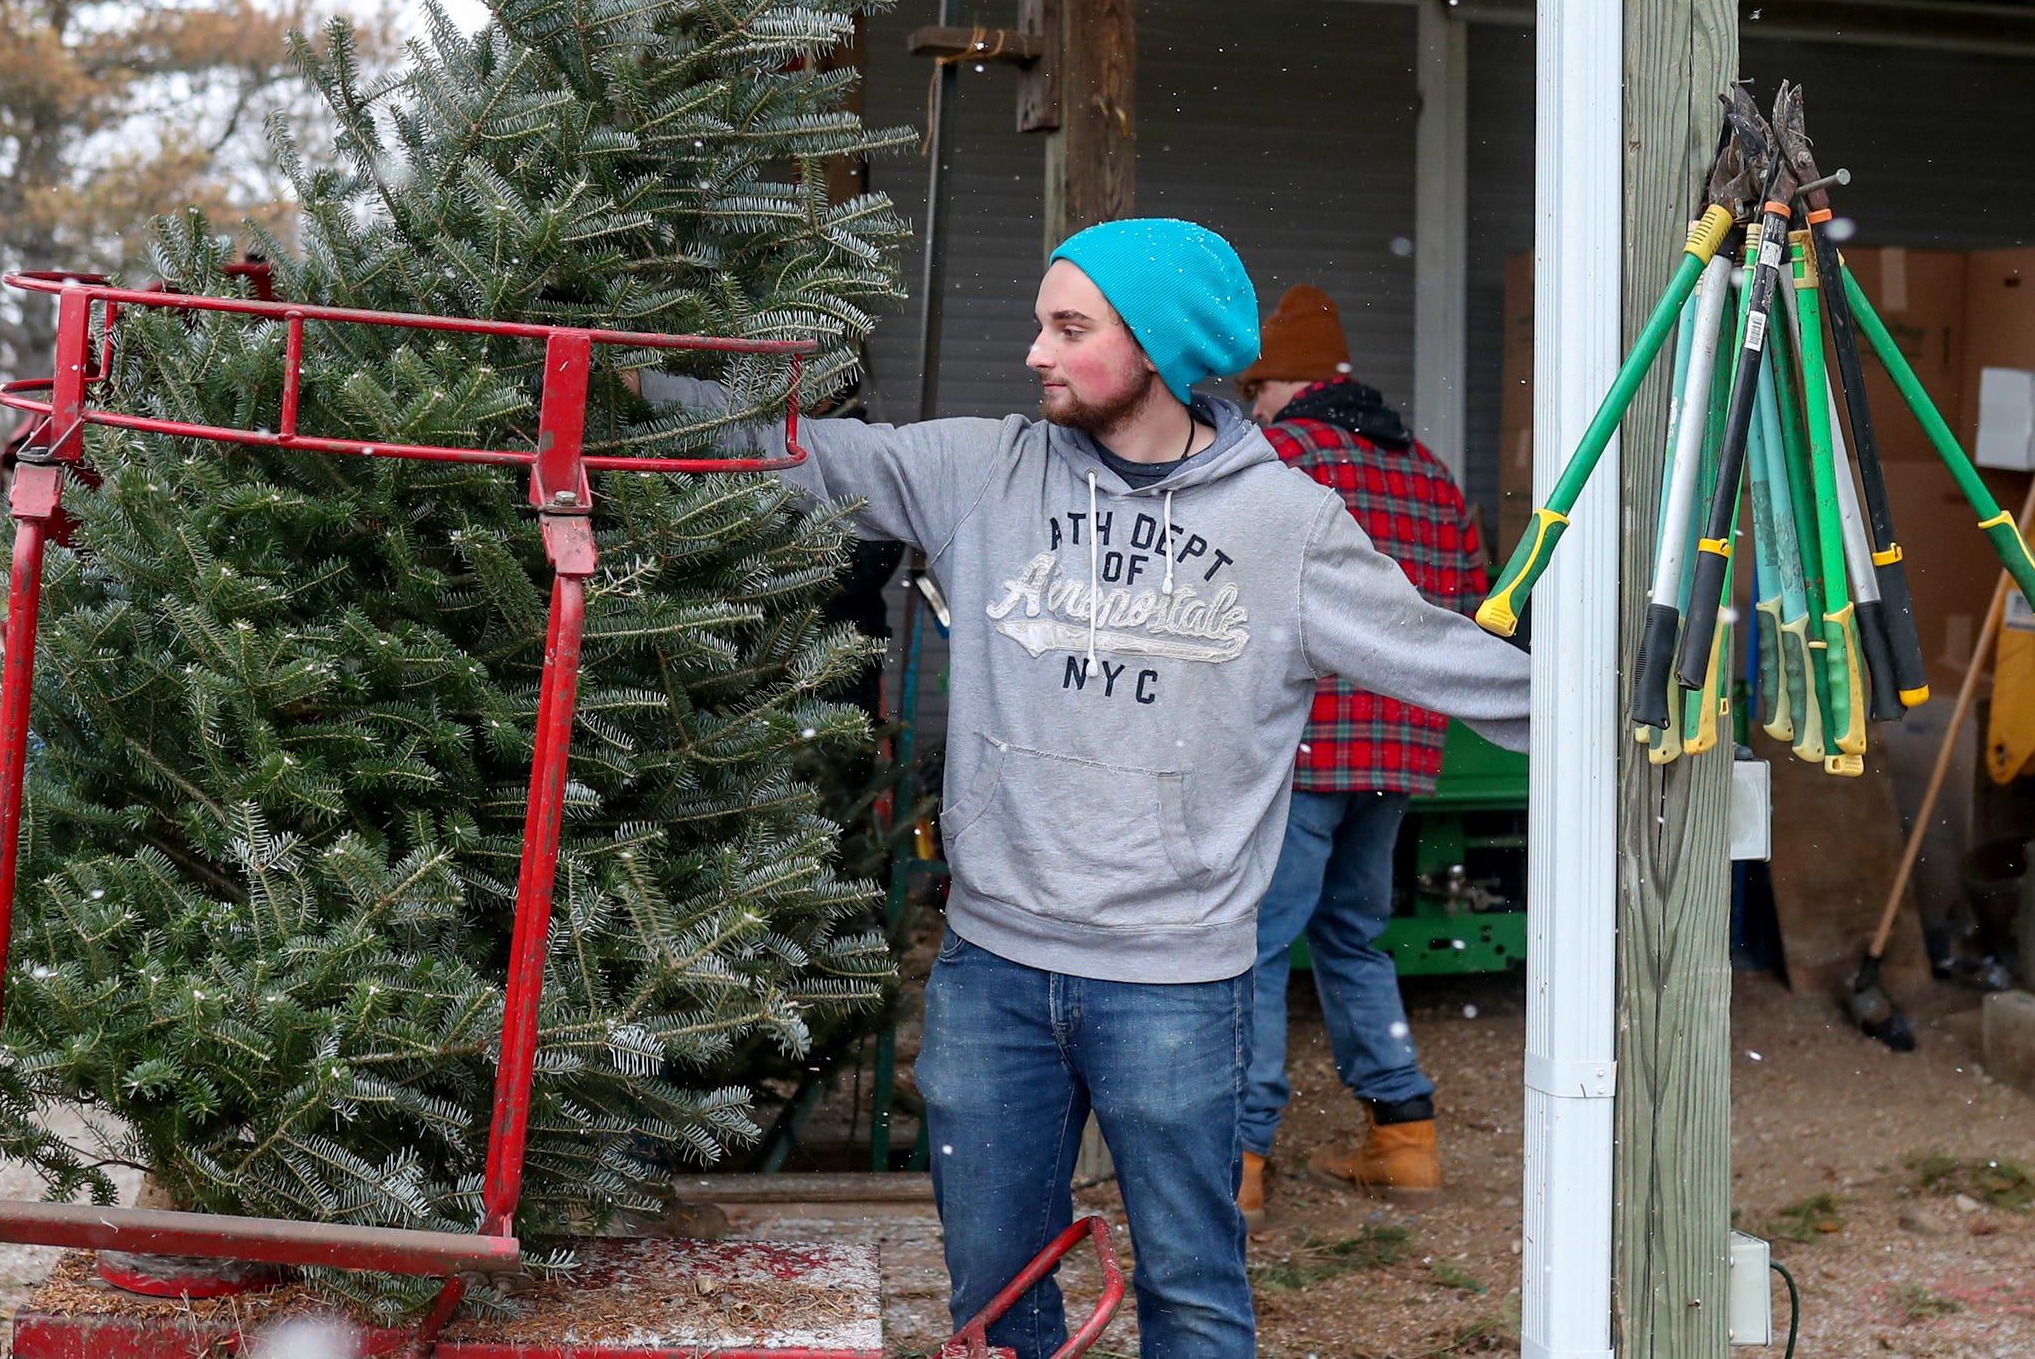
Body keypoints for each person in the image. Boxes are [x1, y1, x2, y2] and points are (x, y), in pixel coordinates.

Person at [637, 220, 1530, 1359]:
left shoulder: (1284, 525)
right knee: (997, 1303)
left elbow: (1438, 654)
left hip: (1175, 984)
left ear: (1156, 348)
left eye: (1070, 327)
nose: (1034, 353)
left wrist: (1620, 716)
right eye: (1042, 322)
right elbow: (781, 447)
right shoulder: (979, 472)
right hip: (990, 975)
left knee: (1195, 1297)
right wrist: (610, 388)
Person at [1232, 286, 1488, 1218]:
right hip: (1401, 744)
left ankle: (1241, 1160)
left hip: (1303, 743)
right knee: (1353, 934)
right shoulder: (1430, 469)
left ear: (1285, 383)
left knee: (1255, 943)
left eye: (1255, 387)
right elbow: (1472, 598)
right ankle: (1403, 1133)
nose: (1248, 404)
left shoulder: (1279, 455)